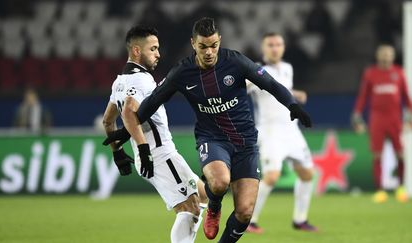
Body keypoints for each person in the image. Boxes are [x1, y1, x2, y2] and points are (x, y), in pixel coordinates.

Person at [104, 17, 311, 243]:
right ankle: (214, 206)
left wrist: (292, 105)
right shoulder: (182, 71)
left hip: (245, 142)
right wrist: (124, 134)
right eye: (203, 47)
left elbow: (270, 84)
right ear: (193, 44)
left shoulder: (236, 62)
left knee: (244, 212)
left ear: (219, 41)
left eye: (214, 45)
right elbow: (151, 103)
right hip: (212, 138)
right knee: (219, 182)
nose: (210, 52)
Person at [101, 26, 207, 243]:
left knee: (204, 194)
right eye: (154, 49)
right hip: (158, 154)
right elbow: (130, 110)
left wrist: (118, 153)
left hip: (155, 155)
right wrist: (143, 149)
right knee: (190, 209)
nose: (158, 54)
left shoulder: (119, 81)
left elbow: (108, 120)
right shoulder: (141, 79)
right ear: (137, 51)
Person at [246, 32, 317, 234]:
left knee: (307, 174)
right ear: (264, 48)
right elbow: (243, 87)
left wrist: (296, 94)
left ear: (283, 47)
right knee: (272, 176)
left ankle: (300, 220)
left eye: (278, 44)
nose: (275, 48)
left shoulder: (287, 68)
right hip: (270, 131)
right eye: (271, 44)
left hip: (291, 129)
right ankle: (249, 220)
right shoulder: (257, 71)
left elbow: (281, 89)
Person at [352, 44, 412, 203]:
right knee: (377, 154)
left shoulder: (399, 73)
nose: (386, 57)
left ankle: (401, 188)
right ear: (378, 56)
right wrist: (357, 116)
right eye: (383, 54)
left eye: (389, 54)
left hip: (395, 119)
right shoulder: (370, 73)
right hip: (377, 119)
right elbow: (362, 97)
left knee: (400, 154)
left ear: (393, 56)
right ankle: (380, 191)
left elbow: (407, 98)